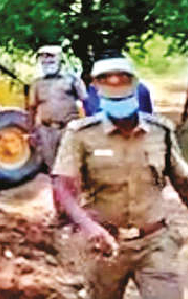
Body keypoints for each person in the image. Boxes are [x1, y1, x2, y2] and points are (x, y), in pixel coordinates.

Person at [52, 62, 188, 299]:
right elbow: (63, 186)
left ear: (135, 86)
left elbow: (183, 182)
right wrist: (88, 226)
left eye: (122, 83)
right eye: (108, 85)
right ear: (97, 90)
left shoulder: (161, 132)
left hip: (155, 242)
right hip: (105, 246)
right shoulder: (81, 134)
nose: (116, 91)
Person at [27, 44, 87, 170]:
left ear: (60, 59)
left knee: (72, 165)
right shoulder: (37, 84)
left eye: (51, 57)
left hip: (69, 129)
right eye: (43, 59)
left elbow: (85, 103)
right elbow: (32, 108)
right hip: (46, 132)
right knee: (52, 168)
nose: (47, 61)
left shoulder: (72, 80)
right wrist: (31, 132)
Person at [83, 55, 153, 116]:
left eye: (122, 76)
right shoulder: (91, 90)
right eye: (105, 77)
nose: (114, 80)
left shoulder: (141, 90)